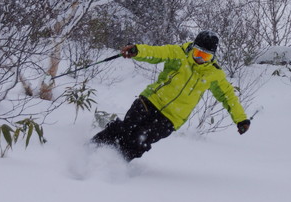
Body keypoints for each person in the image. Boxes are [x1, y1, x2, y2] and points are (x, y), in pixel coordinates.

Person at [90, 30, 251, 161]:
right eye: (197, 53)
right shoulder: (178, 53)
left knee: (139, 141)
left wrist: (241, 119)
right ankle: (90, 150)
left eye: (205, 56)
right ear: (192, 47)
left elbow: (228, 97)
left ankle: (112, 165)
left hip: (170, 118)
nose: (199, 59)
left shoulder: (214, 74)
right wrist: (136, 50)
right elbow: (155, 53)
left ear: (212, 57)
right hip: (150, 100)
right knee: (125, 129)